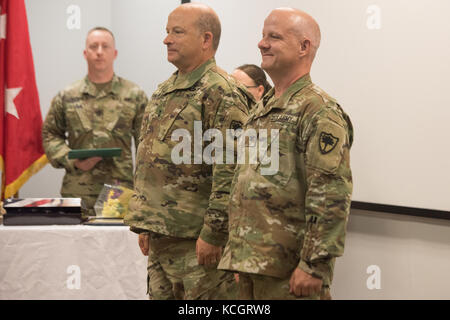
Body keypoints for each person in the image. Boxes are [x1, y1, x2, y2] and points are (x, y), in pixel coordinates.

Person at [218, 8, 353, 300]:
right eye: (263, 35)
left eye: (273, 37)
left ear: (304, 47)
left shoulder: (318, 110)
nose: (261, 43)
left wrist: (314, 266)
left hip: (289, 274)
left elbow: (330, 195)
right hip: (250, 265)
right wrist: (239, 251)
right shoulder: (263, 106)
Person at [124, 3, 251, 300]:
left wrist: (214, 233)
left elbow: (230, 171)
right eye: (167, 32)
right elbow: (151, 161)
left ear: (206, 39)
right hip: (162, 239)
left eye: (177, 32)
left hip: (198, 244)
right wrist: (147, 223)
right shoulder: (164, 89)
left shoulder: (221, 92)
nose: (166, 39)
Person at [42, 27, 148, 218]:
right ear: (85, 53)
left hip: (120, 192)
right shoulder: (67, 95)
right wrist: (71, 158)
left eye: (105, 46)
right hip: (77, 193)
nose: (99, 51)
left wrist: (145, 192)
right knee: (73, 247)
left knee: (118, 247)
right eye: (93, 46)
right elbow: (50, 135)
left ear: (114, 53)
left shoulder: (134, 95)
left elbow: (147, 145)